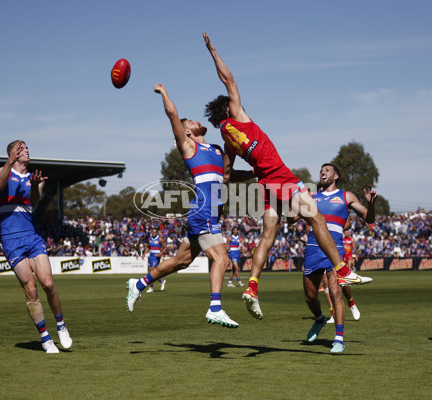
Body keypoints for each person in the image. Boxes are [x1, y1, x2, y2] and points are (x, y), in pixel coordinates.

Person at [203, 32, 372, 320]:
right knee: (316, 217)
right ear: (228, 108)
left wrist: (256, 174)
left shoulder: (227, 142)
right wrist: (213, 52)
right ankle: (343, 270)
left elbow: (229, 177)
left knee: (267, 236)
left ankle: (252, 287)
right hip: (280, 177)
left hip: (265, 182)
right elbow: (228, 78)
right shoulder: (239, 117)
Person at [126, 84, 239, 328]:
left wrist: (256, 173)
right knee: (222, 259)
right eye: (191, 122)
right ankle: (215, 307)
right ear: (187, 132)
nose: (197, 121)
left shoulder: (216, 150)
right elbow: (172, 115)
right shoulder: (189, 147)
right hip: (203, 212)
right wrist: (165, 94)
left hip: (211, 215)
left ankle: (138, 284)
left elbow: (228, 176)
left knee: (181, 261)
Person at [0, 140, 72, 354]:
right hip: (11, 239)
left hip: (32, 235)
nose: (27, 151)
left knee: (48, 284)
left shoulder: (35, 177)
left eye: (27, 148)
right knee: (30, 289)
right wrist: (9, 161)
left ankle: (61, 324)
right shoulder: (3, 171)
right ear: (13, 154)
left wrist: (37, 185)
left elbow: (34, 200)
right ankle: (46, 338)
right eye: (21, 149)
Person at [302, 163, 376, 353]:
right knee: (310, 296)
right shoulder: (312, 197)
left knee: (335, 292)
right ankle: (319, 319)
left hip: (335, 249)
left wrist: (370, 203)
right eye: (321, 170)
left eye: (326, 170)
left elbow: (369, 218)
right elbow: (293, 218)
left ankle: (339, 338)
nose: (322, 173)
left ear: (335, 176)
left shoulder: (346, 196)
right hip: (312, 248)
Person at [142, 227, 167, 292]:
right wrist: (144, 254)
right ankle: (162, 281)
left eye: (155, 232)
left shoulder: (160, 239)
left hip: (156, 257)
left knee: (152, 272)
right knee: (150, 272)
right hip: (151, 256)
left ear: (157, 233)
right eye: (153, 232)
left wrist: (160, 254)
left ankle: (151, 288)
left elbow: (166, 248)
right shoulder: (150, 239)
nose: (154, 233)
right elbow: (148, 247)